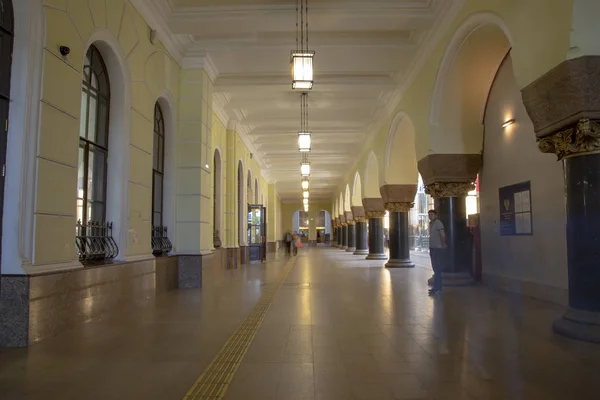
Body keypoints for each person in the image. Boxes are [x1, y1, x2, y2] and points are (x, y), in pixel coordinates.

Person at [428, 209, 446, 295]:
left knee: (437, 268)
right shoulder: (431, 224)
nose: (430, 216)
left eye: (432, 214)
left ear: (436, 215)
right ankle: (436, 287)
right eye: (429, 214)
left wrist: (443, 244)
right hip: (432, 248)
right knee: (435, 268)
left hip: (437, 248)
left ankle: (438, 288)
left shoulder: (438, 223)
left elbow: (442, 234)